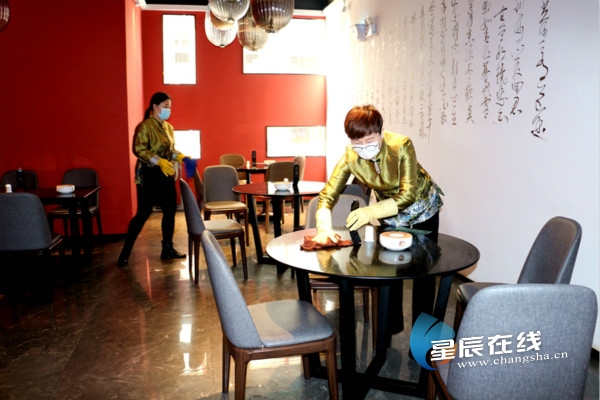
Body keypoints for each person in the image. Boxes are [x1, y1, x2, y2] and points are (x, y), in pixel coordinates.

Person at [313, 104, 444, 333]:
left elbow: (408, 194)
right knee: (389, 270)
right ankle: (389, 331)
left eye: (369, 140)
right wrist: (324, 228)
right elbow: (327, 195)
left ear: (381, 133)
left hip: (422, 209)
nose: (364, 147)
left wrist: (370, 212)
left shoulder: (401, 145)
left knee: (424, 275)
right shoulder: (350, 157)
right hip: (390, 214)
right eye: (357, 142)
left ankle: (422, 341)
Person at [118, 92, 190, 267]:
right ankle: (125, 253)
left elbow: (170, 150)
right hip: (149, 174)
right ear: (155, 107)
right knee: (143, 213)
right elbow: (139, 149)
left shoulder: (168, 127)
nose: (169, 110)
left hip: (165, 173)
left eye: (170, 107)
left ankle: (168, 249)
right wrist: (159, 161)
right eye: (166, 106)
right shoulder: (145, 126)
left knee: (170, 210)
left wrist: (181, 157)